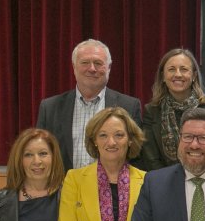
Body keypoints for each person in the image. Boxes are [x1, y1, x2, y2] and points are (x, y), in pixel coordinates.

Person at [37, 38, 143, 170]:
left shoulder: (129, 106)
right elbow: (40, 153)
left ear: (109, 68)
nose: (92, 68)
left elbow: (136, 155)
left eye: (98, 63)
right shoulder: (50, 108)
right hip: (63, 188)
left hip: (113, 188)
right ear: (74, 67)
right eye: (85, 62)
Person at [137, 47, 205, 171]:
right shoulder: (152, 111)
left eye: (184, 69)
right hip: (163, 182)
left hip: (202, 178)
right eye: (171, 69)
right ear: (163, 77)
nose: (178, 74)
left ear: (194, 75)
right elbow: (151, 158)